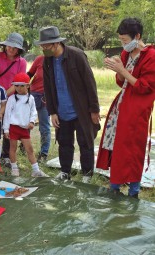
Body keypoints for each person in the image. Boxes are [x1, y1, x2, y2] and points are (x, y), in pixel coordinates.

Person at [96, 18, 155, 198]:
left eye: (125, 41)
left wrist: (122, 71)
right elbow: (121, 82)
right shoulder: (125, 55)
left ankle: (133, 191)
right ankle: (114, 187)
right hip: (121, 106)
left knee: (133, 149)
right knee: (117, 146)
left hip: (137, 109)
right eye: (121, 41)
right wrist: (118, 71)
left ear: (137, 36)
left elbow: (146, 87)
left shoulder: (151, 57)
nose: (123, 45)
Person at [35, 26, 100, 183]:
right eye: (42, 46)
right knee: (64, 142)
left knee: (85, 142)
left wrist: (94, 109)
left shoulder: (76, 56)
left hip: (81, 109)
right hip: (61, 109)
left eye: (46, 46)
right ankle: (65, 171)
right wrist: (52, 112)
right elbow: (48, 88)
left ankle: (87, 174)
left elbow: (90, 83)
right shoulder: (47, 61)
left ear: (57, 43)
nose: (44, 49)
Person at [0, 32, 27, 167]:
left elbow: (18, 82)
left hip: (11, 97)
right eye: (9, 46)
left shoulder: (21, 62)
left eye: (14, 47)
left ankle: (6, 155)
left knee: (8, 125)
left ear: (19, 49)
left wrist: (4, 95)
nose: (11, 49)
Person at [3, 73, 48, 178]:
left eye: (22, 85)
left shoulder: (31, 98)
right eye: (16, 85)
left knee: (30, 149)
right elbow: (7, 114)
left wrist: (32, 121)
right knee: (12, 148)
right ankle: (14, 168)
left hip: (24, 129)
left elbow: (34, 111)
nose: (19, 88)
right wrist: (6, 129)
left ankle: (36, 170)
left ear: (28, 86)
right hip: (13, 128)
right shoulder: (12, 99)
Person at [27, 55, 51, 163]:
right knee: (25, 122)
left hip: (46, 97)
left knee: (44, 126)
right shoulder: (39, 59)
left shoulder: (58, 62)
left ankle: (43, 153)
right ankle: (24, 146)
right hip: (33, 94)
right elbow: (29, 74)